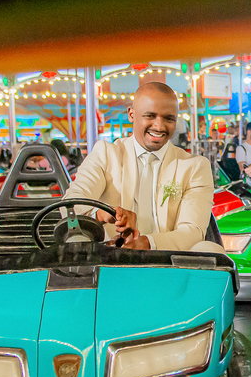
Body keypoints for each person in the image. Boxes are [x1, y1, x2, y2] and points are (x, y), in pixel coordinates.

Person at [65, 82, 213, 251]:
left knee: (211, 250)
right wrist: (102, 213)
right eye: (150, 116)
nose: (159, 126)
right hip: (111, 261)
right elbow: (69, 205)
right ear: (132, 114)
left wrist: (147, 243)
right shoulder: (106, 153)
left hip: (168, 263)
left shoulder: (194, 166)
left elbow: (193, 231)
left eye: (168, 118)